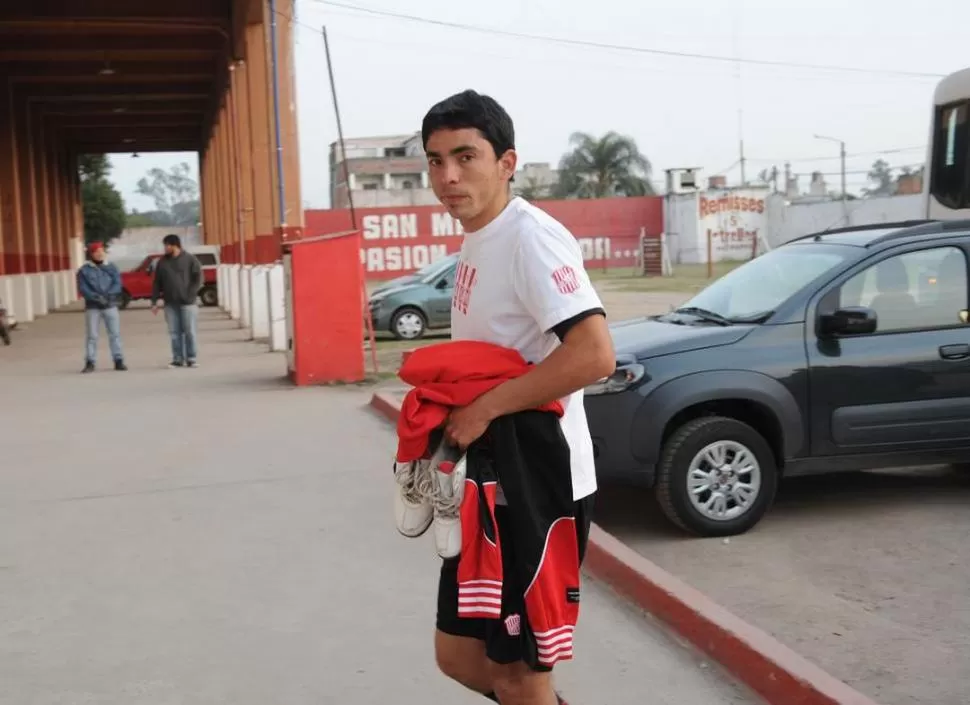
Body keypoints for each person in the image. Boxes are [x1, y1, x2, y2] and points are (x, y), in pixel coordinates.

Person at [418, 90, 616, 705]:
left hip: (537, 486)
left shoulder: (531, 237)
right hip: (489, 484)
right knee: (458, 656)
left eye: (465, 157)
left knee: (522, 675)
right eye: (435, 160)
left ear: (507, 163)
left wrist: (484, 408)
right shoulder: (480, 239)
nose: (448, 177)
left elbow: (593, 353)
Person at [151, 233, 202, 368]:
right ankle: (177, 358)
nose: (165, 248)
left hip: (188, 303)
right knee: (174, 332)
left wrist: (190, 294)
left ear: (175, 245)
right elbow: (157, 282)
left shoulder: (190, 259)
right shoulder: (162, 262)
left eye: (167, 245)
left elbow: (198, 279)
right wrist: (154, 301)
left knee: (189, 331)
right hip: (170, 303)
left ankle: (191, 358)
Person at [76, 241, 127, 373]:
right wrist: (96, 298)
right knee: (92, 335)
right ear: (91, 254)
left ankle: (118, 360)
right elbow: (83, 288)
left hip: (110, 305)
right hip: (93, 307)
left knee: (115, 334)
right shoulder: (84, 270)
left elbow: (117, 284)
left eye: (101, 251)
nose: (100, 254)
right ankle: (90, 362)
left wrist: (108, 296)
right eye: (96, 251)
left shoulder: (112, 267)